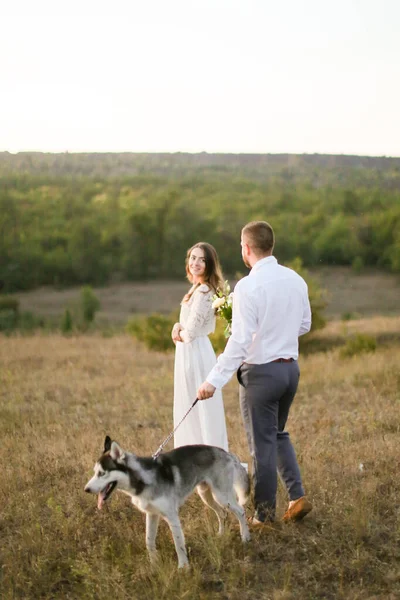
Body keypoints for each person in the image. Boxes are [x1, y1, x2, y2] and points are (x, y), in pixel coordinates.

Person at [197, 221, 312, 524]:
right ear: (271, 245)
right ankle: (297, 496)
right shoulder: (296, 279)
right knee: (277, 434)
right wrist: (277, 332)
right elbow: (304, 325)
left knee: (261, 446)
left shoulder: (248, 286)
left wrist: (213, 381)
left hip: (261, 375)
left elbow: (239, 341)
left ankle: (263, 516)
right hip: (290, 372)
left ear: (246, 248)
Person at [171, 242, 229, 450]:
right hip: (187, 352)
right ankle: (189, 455)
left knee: (202, 410)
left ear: (210, 264)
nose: (195, 263)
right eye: (193, 258)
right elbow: (187, 324)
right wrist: (177, 327)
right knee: (188, 406)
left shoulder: (205, 291)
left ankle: (209, 458)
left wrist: (180, 333)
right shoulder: (195, 288)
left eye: (202, 259)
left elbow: (192, 331)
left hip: (196, 353)